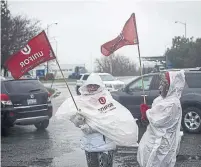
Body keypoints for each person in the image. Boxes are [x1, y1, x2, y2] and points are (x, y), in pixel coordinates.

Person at [70, 73, 138, 167]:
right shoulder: (81, 101)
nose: (92, 88)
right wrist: (78, 119)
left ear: (100, 86)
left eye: (95, 85)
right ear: (86, 86)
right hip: (89, 145)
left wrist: (90, 127)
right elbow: (77, 123)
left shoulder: (107, 100)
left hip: (105, 145)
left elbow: (109, 121)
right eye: (90, 85)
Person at [137, 70, 186, 167]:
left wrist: (146, 113)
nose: (159, 88)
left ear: (170, 87)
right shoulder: (162, 100)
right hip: (153, 141)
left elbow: (158, 121)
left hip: (162, 146)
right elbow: (152, 120)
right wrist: (146, 116)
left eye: (162, 85)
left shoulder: (172, 104)